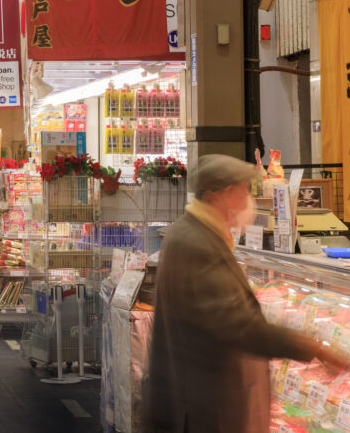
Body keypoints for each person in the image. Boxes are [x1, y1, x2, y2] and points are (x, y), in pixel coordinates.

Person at [146, 154, 350, 432]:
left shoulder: (194, 233)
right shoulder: (197, 243)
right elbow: (240, 327)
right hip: (205, 408)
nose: (249, 200)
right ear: (224, 195)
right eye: (245, 191)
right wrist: (316, 349)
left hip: (199, 399)